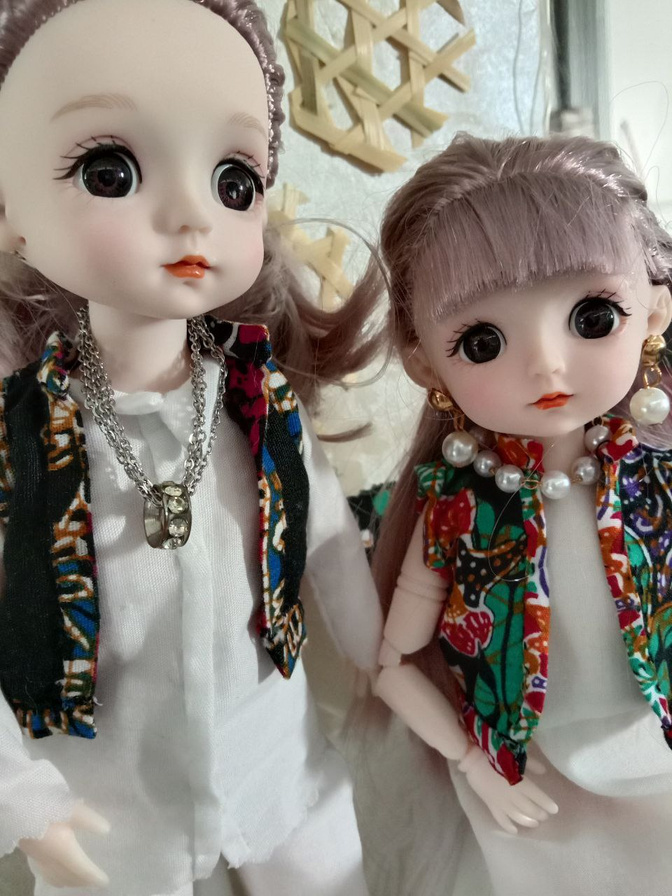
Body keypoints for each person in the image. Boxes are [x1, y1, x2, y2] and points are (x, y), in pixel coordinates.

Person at [0, 1, 382, 894]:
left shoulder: (259, 402)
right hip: (107, 804)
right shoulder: (20, 442)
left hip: (282, 771)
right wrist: (23, 800)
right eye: (110, 171)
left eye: (233, 181)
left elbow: (328, 540)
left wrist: (381, 662)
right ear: (12, 209)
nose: (191, 217)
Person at [370, 132, 672, 895]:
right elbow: (393, 666)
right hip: (535, 784)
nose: (546, 365)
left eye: (593, 316)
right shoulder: (458, 510)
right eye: (482, 341)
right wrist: (475, 763)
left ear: (655, 309)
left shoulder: (657, 478)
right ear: (424, 361)